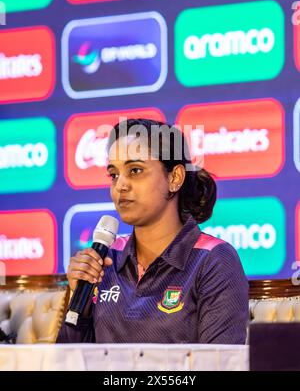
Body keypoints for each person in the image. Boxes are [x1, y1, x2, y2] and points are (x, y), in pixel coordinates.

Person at [57, 118, 249, 344]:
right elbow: (68, 361)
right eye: (114, 175)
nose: (120, 186)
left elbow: (220, 365)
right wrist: (78, 299)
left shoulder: (213, 260)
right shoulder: (105, 259)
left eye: (135, 170)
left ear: (175, 178)